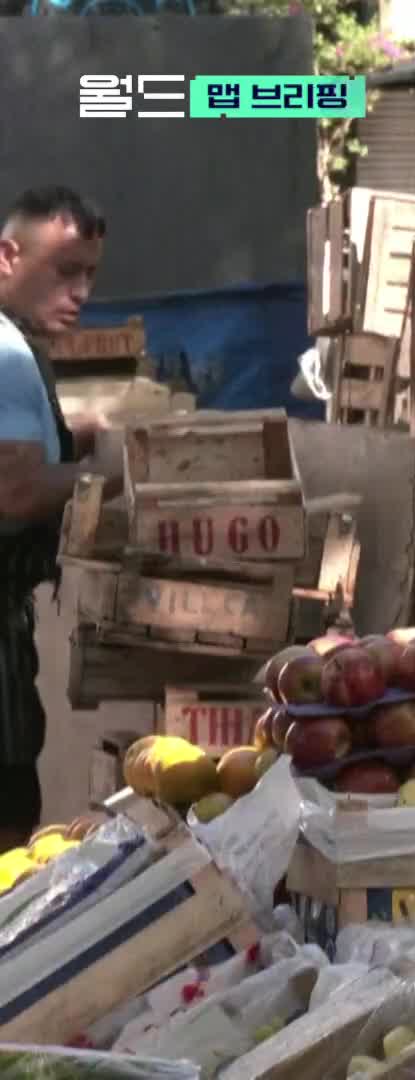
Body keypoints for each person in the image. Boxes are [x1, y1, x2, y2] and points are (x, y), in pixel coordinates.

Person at [0, 186, 111, 848]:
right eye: (65, 270)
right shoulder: (8, 352)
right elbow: (13, 489)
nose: (82, 292)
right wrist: (121, 477)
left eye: (91, 274)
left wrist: (82, 437)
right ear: (8, 255)